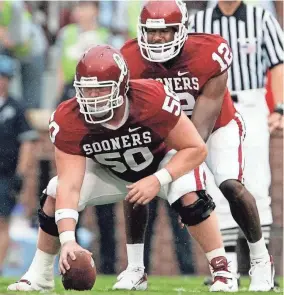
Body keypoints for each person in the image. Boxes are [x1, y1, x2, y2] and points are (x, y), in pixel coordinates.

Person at [8, 45, 235, 292]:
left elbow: (195, 148)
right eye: (87, 89)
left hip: (161, 163)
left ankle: (222, 270)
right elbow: (70, 186)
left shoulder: (151, 99)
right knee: (54, 191)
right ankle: (40, 275)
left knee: (191, 195)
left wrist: (158, 179)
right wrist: (69, 241)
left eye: (101, 88)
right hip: (111, 171)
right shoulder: (68, 118)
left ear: (121, 85)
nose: (93, 97)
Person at [118, 0, 275, 292]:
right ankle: (136, 269)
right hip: (165, 133)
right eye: (151, 32)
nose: (157, 38)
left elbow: (199, 134)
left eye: (166, 31)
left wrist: (182, 180)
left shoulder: (209, 53)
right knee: (137, 185)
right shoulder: (129, 59)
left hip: (216, 127)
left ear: (182, 30)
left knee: (230, 185)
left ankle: (260, 261)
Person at [189, 0, 283, 289]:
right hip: (213, 106)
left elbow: (278, 63)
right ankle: (226, 265)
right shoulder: (197, 23)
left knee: (256, 182)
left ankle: (261, 264)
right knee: (217, 182)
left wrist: (278, 107)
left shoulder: (261, 18)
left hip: (251, 103)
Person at [0, 54, 38, 273]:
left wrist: (21, 174)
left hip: (4, 174)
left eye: (4, 77)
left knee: (3, 222)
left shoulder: (16, 108)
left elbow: (27, 143)